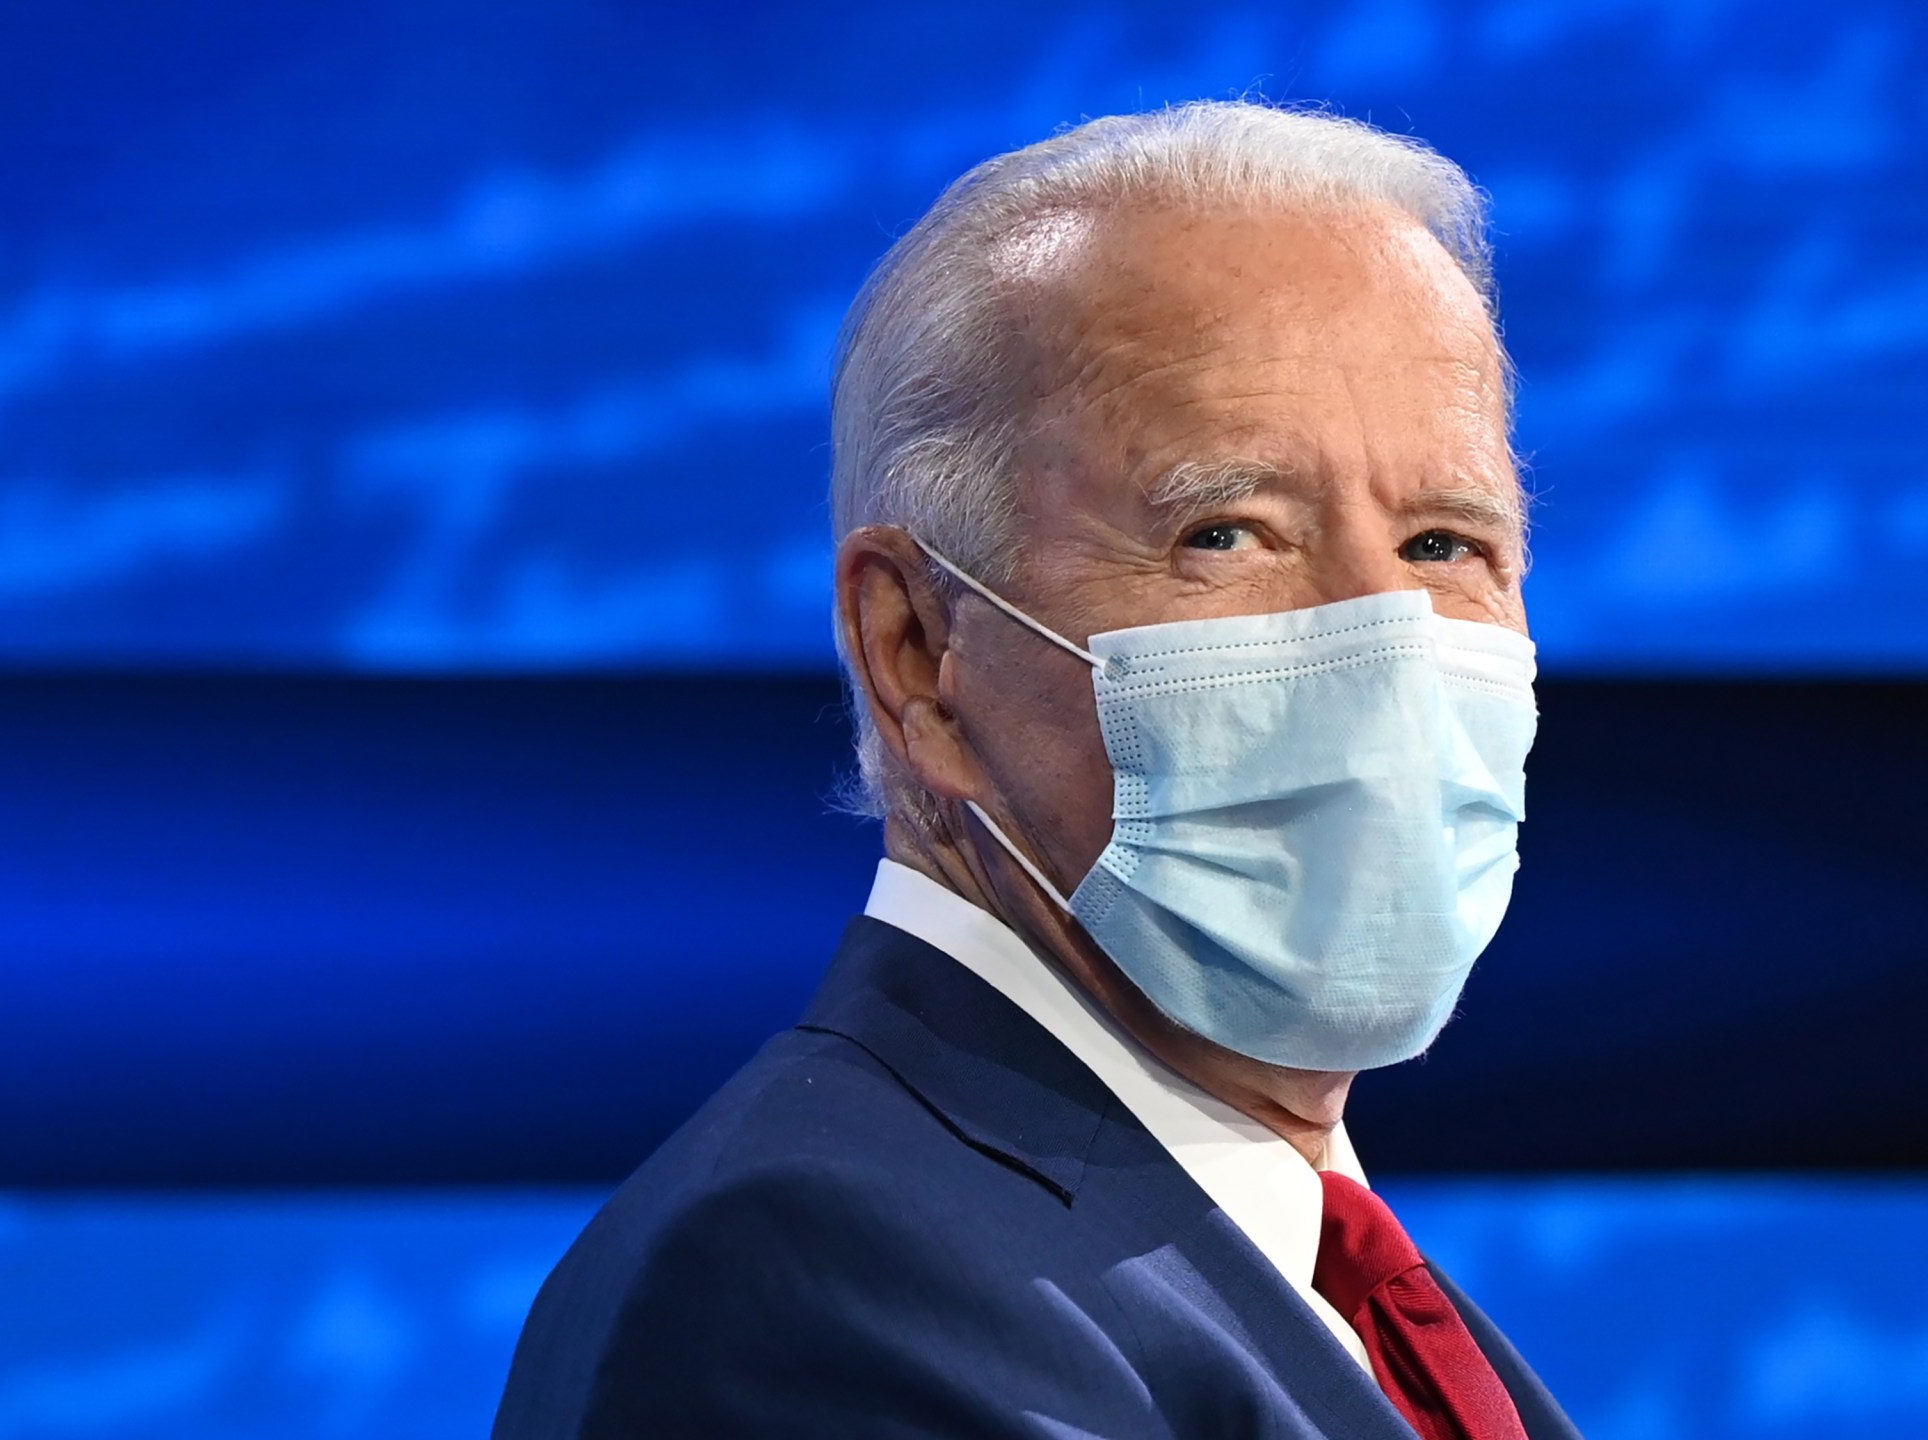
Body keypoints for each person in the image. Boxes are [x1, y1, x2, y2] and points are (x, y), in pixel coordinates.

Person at [493, 100, 1580, 1440]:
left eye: (1443, 546)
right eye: (1226, 534)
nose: (1386, 638)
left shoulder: (1330, 1293)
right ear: (917, 652)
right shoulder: (820, 1282)